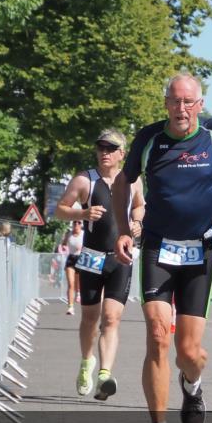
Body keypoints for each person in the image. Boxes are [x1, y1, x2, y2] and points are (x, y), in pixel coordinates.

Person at [112, 73, 212, 423]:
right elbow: (122, 184)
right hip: (159, 247)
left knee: (189, 352)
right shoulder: (149, 139)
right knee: (158, 336)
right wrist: (124, 230)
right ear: (166, 104)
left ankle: (192, 386)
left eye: (189, 102)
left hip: (200, 250)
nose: (182, 109)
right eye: (175, 101)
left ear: (200, 105)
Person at [55, 129, 144, 399]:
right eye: (100, 147)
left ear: (122, 154)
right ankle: (87, 362)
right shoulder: (85, 180)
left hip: (120, 257)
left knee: (112, 318)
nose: (104, 152)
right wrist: (82, 212)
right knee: (90, 319)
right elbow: (60, 210)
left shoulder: (133, 180)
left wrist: (137, 222)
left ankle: (105, 374)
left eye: (110, 148)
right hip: (91, 257)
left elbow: (140, 206)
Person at [60, 220, 85, 315]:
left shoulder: (84, 234)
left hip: (81, 258)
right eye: (75, 222)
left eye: (79, 223)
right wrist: (63, 247)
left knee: (79, 282)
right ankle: (70, 307)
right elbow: (63, 244)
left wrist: (82, 248)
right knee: (71, 283)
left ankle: (78, 293)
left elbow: (90, 245)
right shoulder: (69, 234)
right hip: (71, 258)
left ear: (81, 225)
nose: (76, 224)